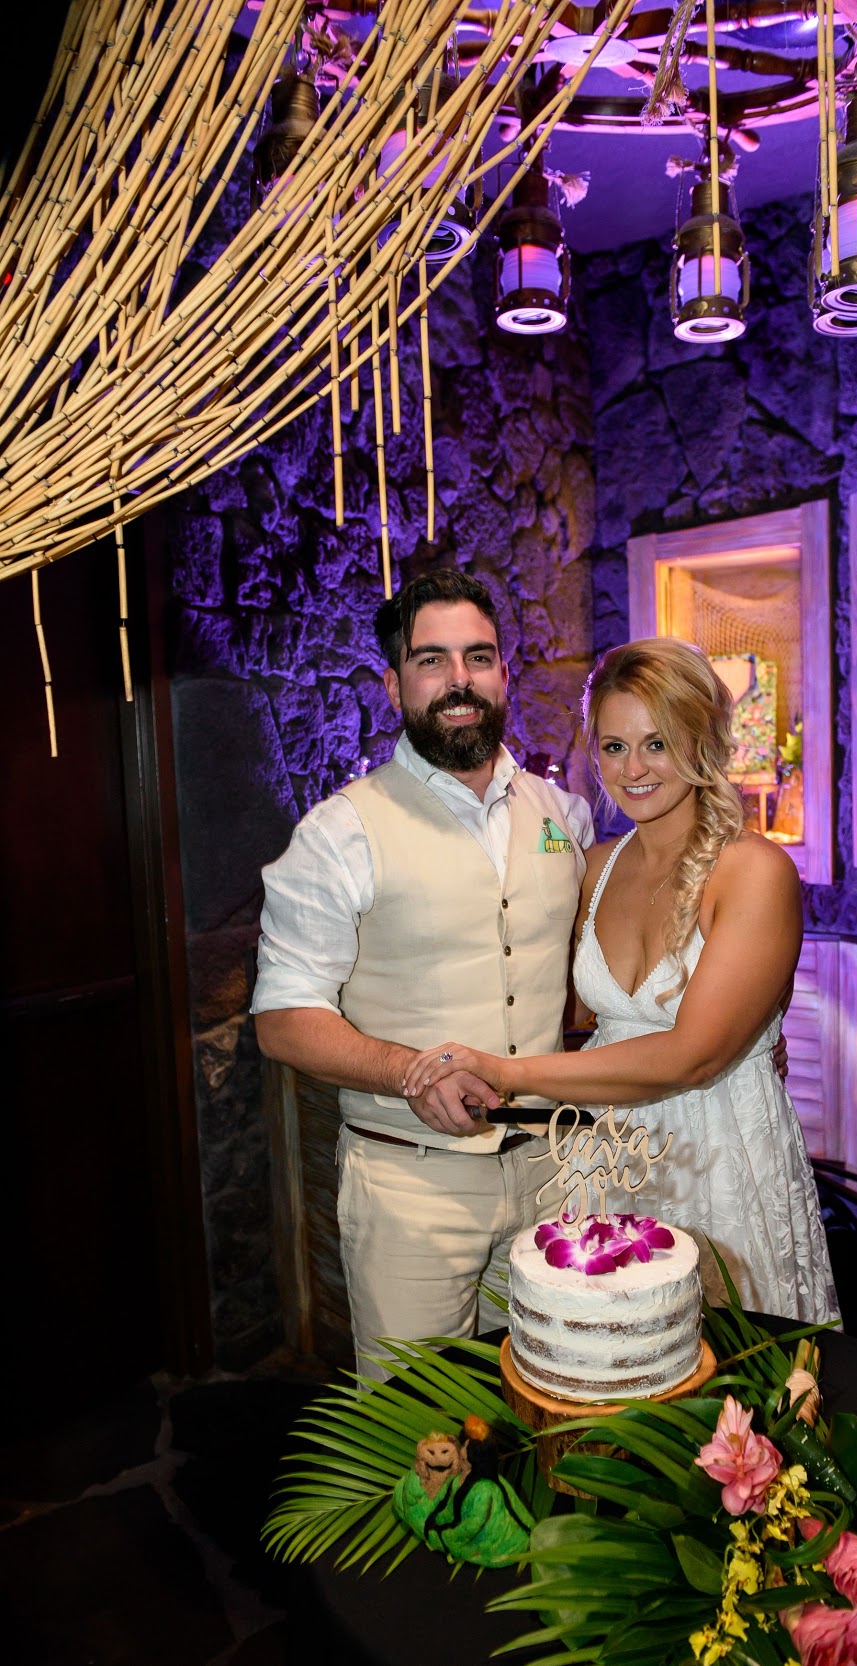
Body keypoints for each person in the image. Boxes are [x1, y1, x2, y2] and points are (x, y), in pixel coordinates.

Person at [403, 637, 839, 1324]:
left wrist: (504, 1072)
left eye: (656, 744)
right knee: (607, 1357)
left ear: (700, 740)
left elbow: (694, 1056)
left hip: (719, 1153)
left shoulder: (754, 871)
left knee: (724, 1362)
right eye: (613, 746)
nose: (632, 769)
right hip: (606, 1156)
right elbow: (550, 1001)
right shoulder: (595, 870)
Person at [252, 569, 594, 1370]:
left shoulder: (563, 815)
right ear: (393, 683)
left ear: (503, 672)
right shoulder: (339, 834)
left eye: (479, 656)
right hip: (411, 1187)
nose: (459, 679)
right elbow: (283, 1019)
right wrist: (409, 1070)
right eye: (431, 660)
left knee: (555, 1397)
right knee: (417, 1423)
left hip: (554, 1173)